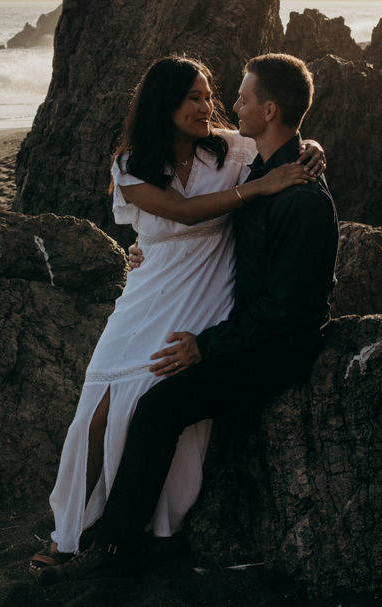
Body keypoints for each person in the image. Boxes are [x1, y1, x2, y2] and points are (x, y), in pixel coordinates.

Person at [39, 52, 339, 584]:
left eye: (215, 95)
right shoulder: (140, 166)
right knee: (101, 410)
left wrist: (311, 150)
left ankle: (126, 538)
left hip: (217, 310)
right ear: (165, 104)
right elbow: (182, 212)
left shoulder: (234, 156)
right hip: (155, 294)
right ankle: (74, 532)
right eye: (195, 97)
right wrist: (266, 182)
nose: (213, 105)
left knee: (153, 403)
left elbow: (285, 136)